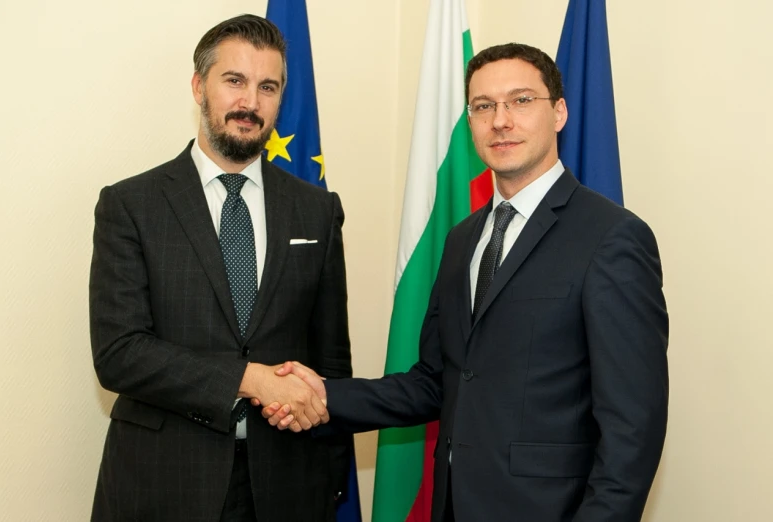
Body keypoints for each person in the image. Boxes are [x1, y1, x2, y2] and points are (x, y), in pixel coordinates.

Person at [262, 43, 669, 522]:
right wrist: (325, 396)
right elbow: (435, 382)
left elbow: (633, 428)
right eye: (483, 106)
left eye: (520, 101)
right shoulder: (463, 239)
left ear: (558, 112)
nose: (501, 120)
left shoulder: (611, 236)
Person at [89, 14, 352, 522]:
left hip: (288, 485)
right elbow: (120, 353)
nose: (250, 103)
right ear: (198, 86)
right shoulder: (131, 205)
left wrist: (329, 479)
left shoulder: (317, 209)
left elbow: (331, 360)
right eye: (234, 81)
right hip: (162, 483)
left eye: (267, 87)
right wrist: (250, 379)